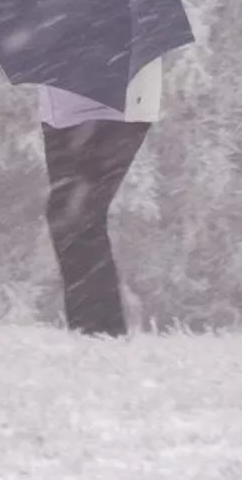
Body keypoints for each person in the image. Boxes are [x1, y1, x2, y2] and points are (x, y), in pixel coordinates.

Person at [38, 57, 162, 337]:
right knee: (69, 216)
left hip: (113, 107)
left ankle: (99, 328)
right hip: (62, 106)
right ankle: (93, 328)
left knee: (76, 214)